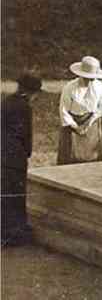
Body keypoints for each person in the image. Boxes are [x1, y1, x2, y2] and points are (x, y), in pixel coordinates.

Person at [1, 72, 42, 247]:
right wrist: (27, 152)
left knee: (4, 192)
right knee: (17, 193)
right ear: (30, 92)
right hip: (15, 156)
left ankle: (4, 232)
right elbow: (26, 134)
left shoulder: (5, 102)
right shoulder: (25, 107)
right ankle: (15, 233)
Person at [57, 56, 102, 165]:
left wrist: (89, 123)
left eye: (92, 78)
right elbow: (63, 110)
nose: (89, 81)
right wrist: (75, 126)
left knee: (92, 158)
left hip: (91, 123)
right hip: (72, 125)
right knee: (70, 157)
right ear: (80, 75)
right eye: (86, 78)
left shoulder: (99, 87)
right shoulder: (70, 87)